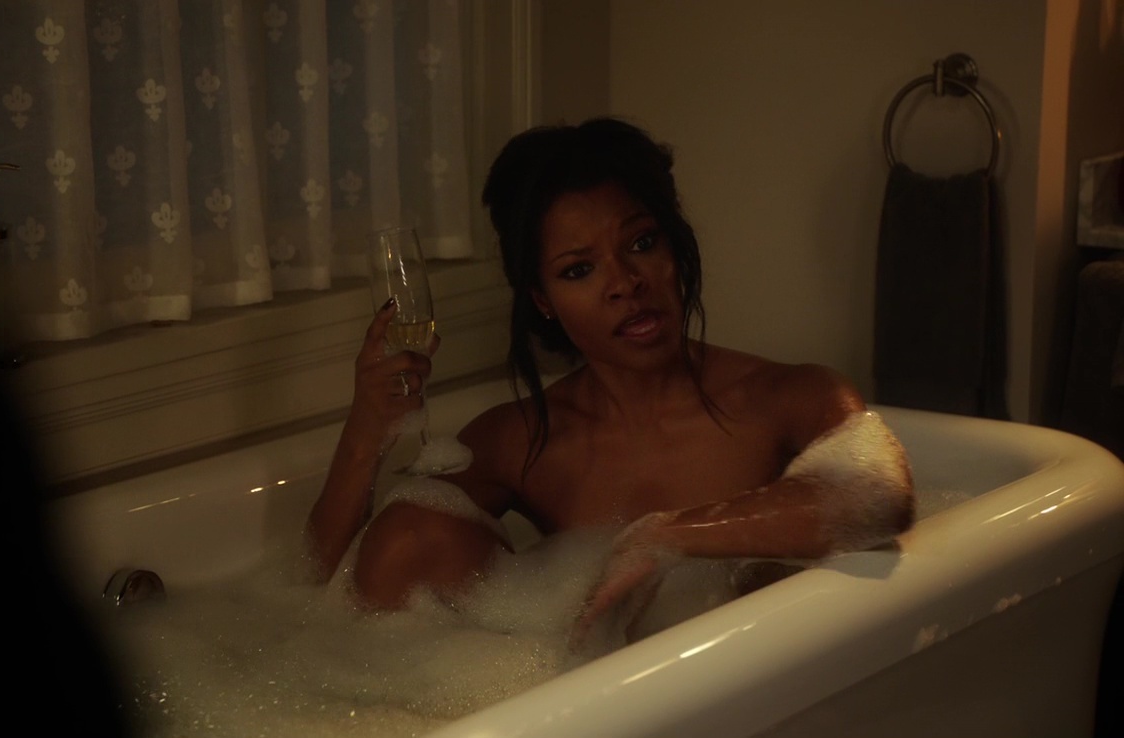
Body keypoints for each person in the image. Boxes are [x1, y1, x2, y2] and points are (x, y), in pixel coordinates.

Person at [306, 117, 914, 643]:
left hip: (758, 691)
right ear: (542, 300)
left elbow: (877, 494)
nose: (625, 282)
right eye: (579, 270)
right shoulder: (521, 441)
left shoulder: (786, 398)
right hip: (591, 698)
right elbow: (331, 585)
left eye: (642, 243)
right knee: (411, 535)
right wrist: (368, 429)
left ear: (674, 248)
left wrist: (666, 537)